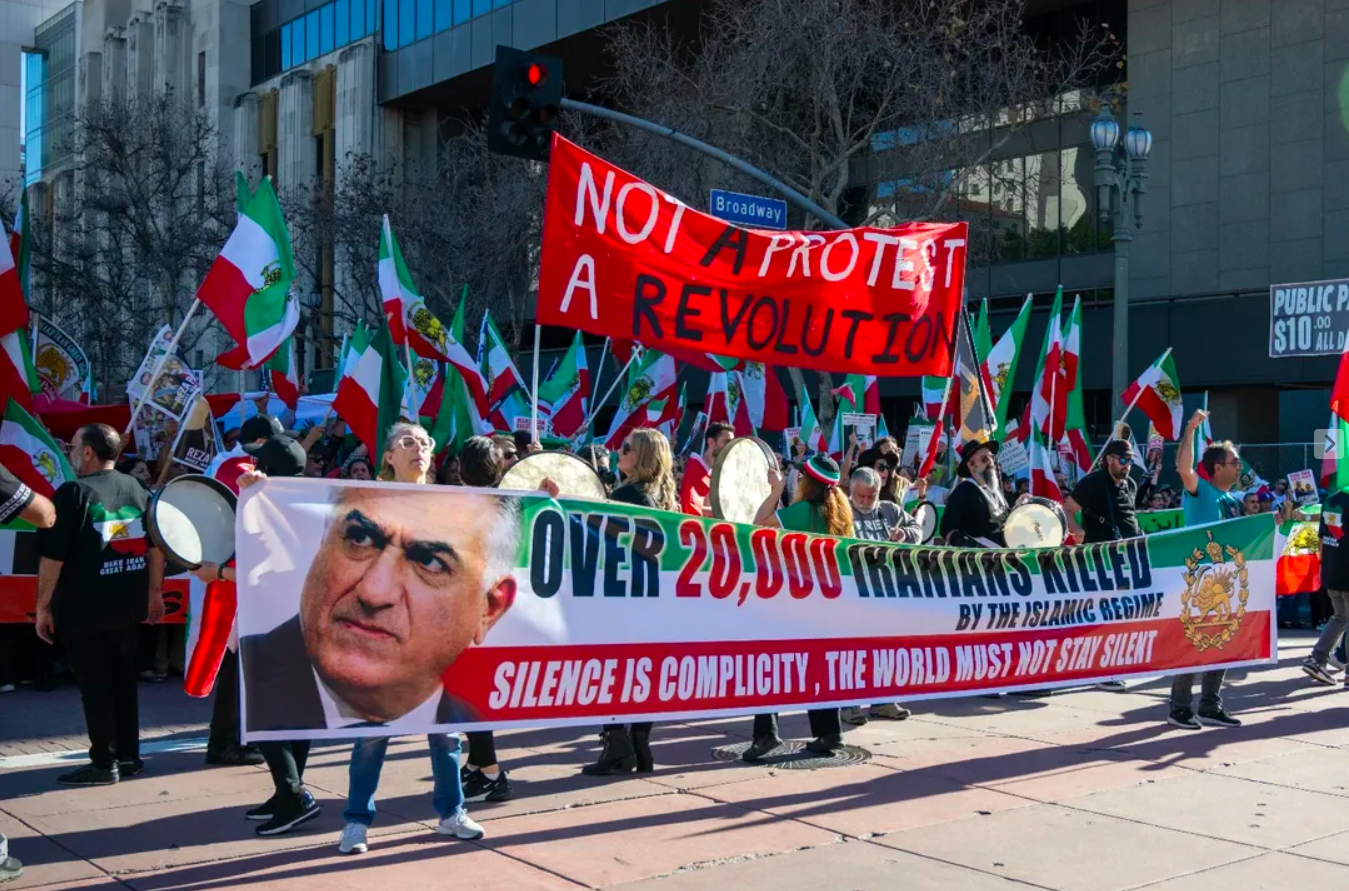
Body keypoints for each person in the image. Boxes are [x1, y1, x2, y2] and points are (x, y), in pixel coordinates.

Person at [240, 437, 519, 733]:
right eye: (360, 539)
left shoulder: (461, 709)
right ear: (321, 540)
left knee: (446, 746)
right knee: (368, 752)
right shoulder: (262, 665)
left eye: (430, 561)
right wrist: (259, 491)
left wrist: (547, 496)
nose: (373, 592)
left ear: (490, 608)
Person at [331, 423, 488, 854]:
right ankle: (357, 822)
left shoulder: (449, 504)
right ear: (388, 458)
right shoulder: (371, 502)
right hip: (384, 634)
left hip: (434, 634)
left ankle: (450, 813)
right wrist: (259, 488)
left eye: (424, 442)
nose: (418, 449)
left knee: (445, 732)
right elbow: (303, 512)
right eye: (406, 442)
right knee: (373, 734)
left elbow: (498, 522)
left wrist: (543, 494)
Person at [196, 436, 321, 836]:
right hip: (306, 622)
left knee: (265, 713)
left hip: (270, 622)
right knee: (297, 711)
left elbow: (263, 571)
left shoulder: (265, 507)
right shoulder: (315, 499)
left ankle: (292, 796)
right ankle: (289, 790)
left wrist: (217, 573)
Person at [35, 424, 164, 786]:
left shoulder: (72, 493)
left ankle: (104, 762)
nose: (71, 451)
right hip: (127, 605)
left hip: (84, 608)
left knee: (96, 687)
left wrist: (43, 607)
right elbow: (156, 548)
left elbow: (52, 558)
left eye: (74, 445)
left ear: (89, 451)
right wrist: (154, 593)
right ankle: (128, 756)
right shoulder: (137, 488)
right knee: (123, 683)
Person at [742, 454, 852, 761]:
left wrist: (776, 490)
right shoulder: (842, 513)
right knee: (820, 668)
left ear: (809, 482)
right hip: (828, 604)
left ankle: (765, 735)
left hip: (796, 601)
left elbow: (758, 524)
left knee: (771, 663)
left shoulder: (804, 511)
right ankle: (830, 732)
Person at [582, 429, 678, 776]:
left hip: (621, 599)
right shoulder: (664, 499)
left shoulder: (625, 495)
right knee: (641, 675)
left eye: (625, 448)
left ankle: (617, 746)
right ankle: (639, 745)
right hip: (650, 602)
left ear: (640, 457)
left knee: (613, 673)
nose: (618, 452)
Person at [1168, 409, 1244, 730]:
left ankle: (1211, 704)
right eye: (1235, 462)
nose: (1239, 467)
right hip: (1199, 580)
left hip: (1228, 581)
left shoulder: (1233, 500)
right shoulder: (1201, 491)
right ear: (1217, 467)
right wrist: (1190, 430)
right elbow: (1183, 468)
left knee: (1223, 641)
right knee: (1193, 642)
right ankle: (1180, 708)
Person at [1064, 440, 1144, 693]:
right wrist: (1076, 529)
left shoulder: (1130, 484)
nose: (1127, 465)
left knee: (1122, 615)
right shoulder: (1092, 483)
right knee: (1104, 614)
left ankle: (1112, 665)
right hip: (1099, 557)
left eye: (1130, 460)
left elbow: (1129, 515)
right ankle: (1102, 669)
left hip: (1127, 557)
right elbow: (1067, 510)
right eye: (1123, 460)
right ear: (1109, 458)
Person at [841, 466, 917, 725]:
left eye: (869, 496)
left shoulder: (889, 510)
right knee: (852, 651)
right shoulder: (842, 510)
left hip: (885, 592)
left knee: (885, 649)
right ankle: (848, 703)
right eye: (860, 496)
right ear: (851, 492)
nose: (864, 502)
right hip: (853, 594)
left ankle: (883, 700)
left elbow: (918, 527)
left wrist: (904, 534)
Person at [1304, 490, 1349, 686]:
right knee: (1342, 617)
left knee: (1340, 617)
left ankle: (1317, 659)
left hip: (1331, 570)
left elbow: (1322, 538)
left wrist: (1324, 568)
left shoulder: (1331, 499)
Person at [939, 440, 1008, 548]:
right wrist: (967, 544)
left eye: (992, 457)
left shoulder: (995, 490)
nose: (991, 462)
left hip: (1003, 556)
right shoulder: (963, 491)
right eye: (984, 459)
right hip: (978, 560)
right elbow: (946, 529)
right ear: (971, 465)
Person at [679, 421, 733, 516]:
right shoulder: (686, 466)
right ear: (711, 442)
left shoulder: (724, 476)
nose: (731, 447)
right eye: (727, 442)